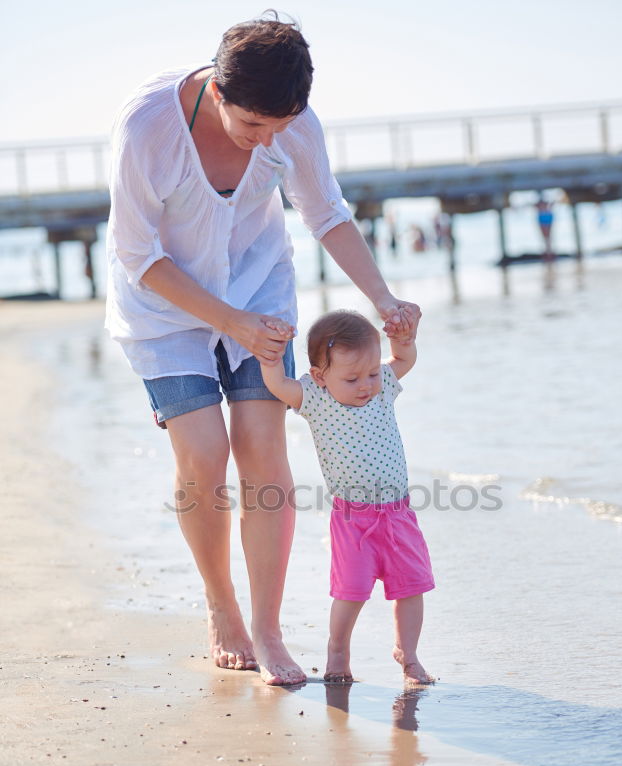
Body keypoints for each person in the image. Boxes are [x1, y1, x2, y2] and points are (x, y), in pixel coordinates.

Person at [105, 14, 421, 686]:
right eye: (253, 128)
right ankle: (223, 608)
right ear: (217, 93)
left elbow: (326, 213)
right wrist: (227, 322)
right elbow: (137, 254)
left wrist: (383, 299)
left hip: (260, 292)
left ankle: (270, 630)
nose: (266, 142)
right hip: (165, 310)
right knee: (203, 454)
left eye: (279, 128)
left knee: (262, 448)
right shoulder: (146, 128)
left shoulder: (293, 124)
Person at [260, 310, 435, 686]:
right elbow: (278, 386)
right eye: (352, 378)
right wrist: (271, 359)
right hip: (353, 519)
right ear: (321, 377)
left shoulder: (383, 386)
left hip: (399, 515)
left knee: (412, 586)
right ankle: (337, 651)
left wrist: (401, 340)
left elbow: (402, 359)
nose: (366, 385)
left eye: (371, 373)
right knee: (351, 591)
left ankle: (409, 654)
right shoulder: (315, 399)